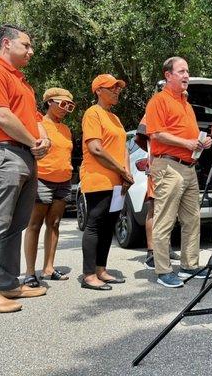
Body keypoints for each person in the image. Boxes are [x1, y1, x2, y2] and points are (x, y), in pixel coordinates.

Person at [0, 24, 51, 313]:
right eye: (26, 45)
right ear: (7, 43)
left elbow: (35, 116)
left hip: (25, 155)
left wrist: (44, 139)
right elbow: (2, 116)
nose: (31, 51)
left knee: (16, 224)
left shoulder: (22, 81)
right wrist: (33, 141)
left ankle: (7, 283)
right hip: (3, 154)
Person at [145, 56, 212, 288]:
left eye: (188, 71)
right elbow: (156, 134)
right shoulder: (158, 101)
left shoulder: (186, 104)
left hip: (189, 167)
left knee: (192, 219)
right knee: (165, 220)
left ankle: (189, 265)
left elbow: (189, 136)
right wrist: (187, 144)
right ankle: (163, 271)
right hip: (169, 166)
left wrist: (202, 142)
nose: (186, 76)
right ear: (168, 75)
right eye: (181, 71)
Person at [80, 74, 133, 291]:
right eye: (112, 87)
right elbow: (95, 149)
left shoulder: (116, 119)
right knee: (95, 224)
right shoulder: (93, 113)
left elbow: (124, 149)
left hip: (117, 182)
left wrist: (127, 173)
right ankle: (89, 274)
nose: (117, 91)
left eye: (118, 88)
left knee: (109, 225)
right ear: (98, 90)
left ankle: (101, 269)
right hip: (98, 179)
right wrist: (120, 170)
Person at [23, 88, 75, 286]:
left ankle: (48, 268)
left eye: (69, 106)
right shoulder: (38, 124)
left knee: (54, 224)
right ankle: (29, 272)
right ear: (49, 102)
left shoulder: (66, 130)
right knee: (34, 224)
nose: (65, 109)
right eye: (62, 104)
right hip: (42, 179)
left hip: (64, 181)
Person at [134, 115, 181, 269]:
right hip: (158, 167)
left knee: (170, 210)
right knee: (154, 209)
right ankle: (152, 252)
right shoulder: (153, 112)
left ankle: (166, 248)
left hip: (175, 168)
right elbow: (139, 139)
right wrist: (152, 155)